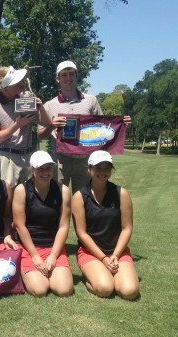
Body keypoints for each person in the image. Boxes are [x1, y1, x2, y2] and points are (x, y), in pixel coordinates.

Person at [39, 60, 130, 194]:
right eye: (64, 75)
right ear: (57, 79)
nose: (68, 78)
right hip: (60, 160)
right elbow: (40, 134)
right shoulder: (49, 105)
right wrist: (51, 126)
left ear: (77, 77)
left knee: (84, 200)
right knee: (58, 200)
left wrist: (121, 125)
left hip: (85, 160)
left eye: (71, 74)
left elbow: (103, 128)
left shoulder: (90, 100)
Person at [72, 150, 139, 300]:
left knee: (129, 292)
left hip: (117, 252)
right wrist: (103, 258)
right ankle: (92, 275)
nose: (103, 172)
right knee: (105, 289)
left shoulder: (122, 194)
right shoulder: (79, 197)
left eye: (107, 168)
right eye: (98, 167)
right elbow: (82, 233)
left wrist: (115, 255)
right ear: (89, 170)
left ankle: (106, 273)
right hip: (90, 252)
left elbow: (126, 228)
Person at [12, 151, 73, 297]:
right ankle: (24, 268)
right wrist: (34, 255)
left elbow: (64, 226)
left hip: (52, 246)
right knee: (39, 290)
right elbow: (20, 225)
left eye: (48, 168)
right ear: (32, 170)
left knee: (63, 290)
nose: (45, 172)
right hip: (28, 247)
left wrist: (53, 255)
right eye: (41, 169)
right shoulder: (22, 190)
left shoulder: (63, 190)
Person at [0, 66, 52, 188]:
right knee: (8, 195)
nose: (21, 84)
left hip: (27, 156)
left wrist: (40, 107)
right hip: (7, 158)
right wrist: (18, 125)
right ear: (5, 88)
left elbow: (47, 124)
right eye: (16, 82)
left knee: (28, 196)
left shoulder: (25, 100)